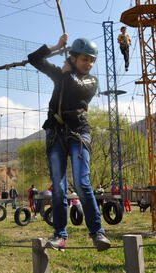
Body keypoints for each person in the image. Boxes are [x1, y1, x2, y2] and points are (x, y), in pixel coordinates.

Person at [28, 34, 111, 251]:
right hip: (56, 131)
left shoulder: (91, 81)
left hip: (79, 132)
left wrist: (65, 71)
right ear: (74, 58)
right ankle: (60, 235)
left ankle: (97, 232)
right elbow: (34, 59)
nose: (89, 64)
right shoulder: (61, 73)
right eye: (85, 59)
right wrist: (55, 46)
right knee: (59, 187)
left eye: (92, 60)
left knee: (82, 183)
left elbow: (76, 88)